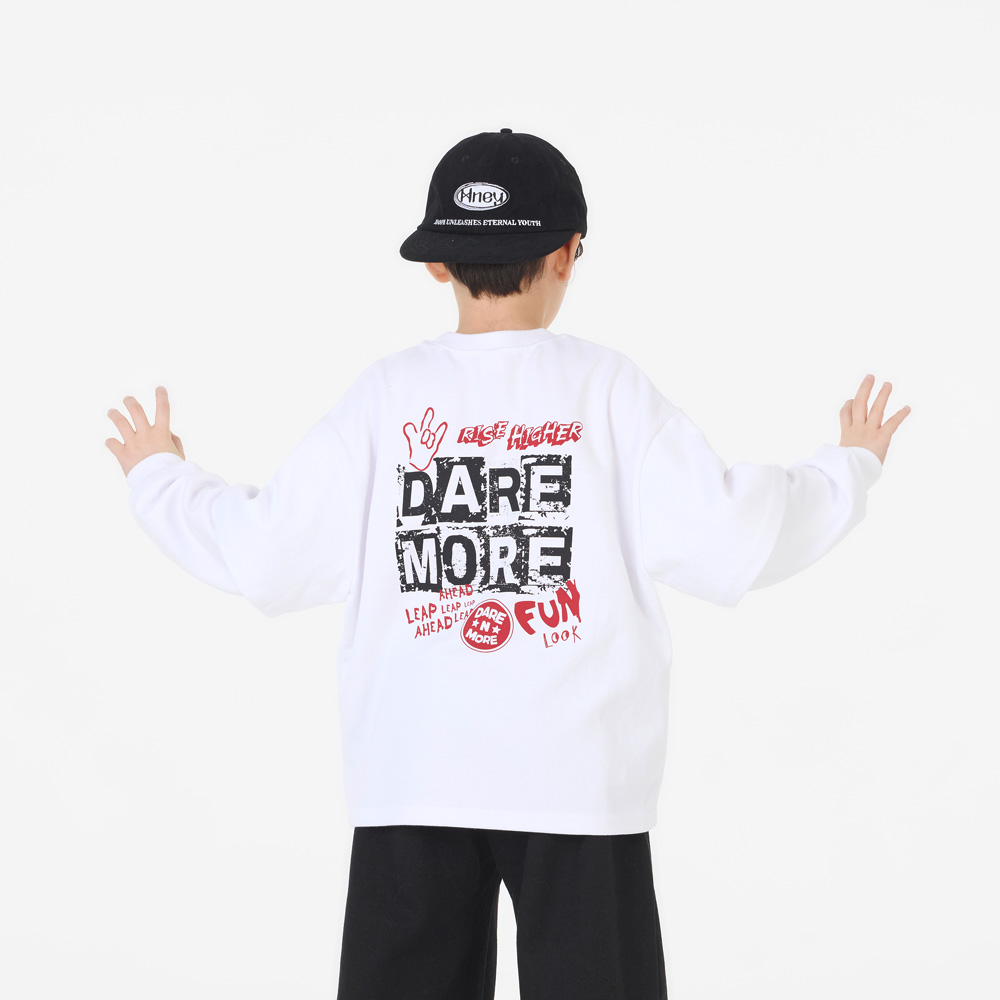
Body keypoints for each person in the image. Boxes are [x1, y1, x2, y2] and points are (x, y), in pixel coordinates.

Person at [104, 128, 911, 1000]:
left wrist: (160, 478)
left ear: (434, 264)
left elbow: (266, 551)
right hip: (579, 779)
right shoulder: (608, 390)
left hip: (414, 776)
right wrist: (848, 470)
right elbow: (728, 534)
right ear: (568, 253)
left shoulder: (385, 398)